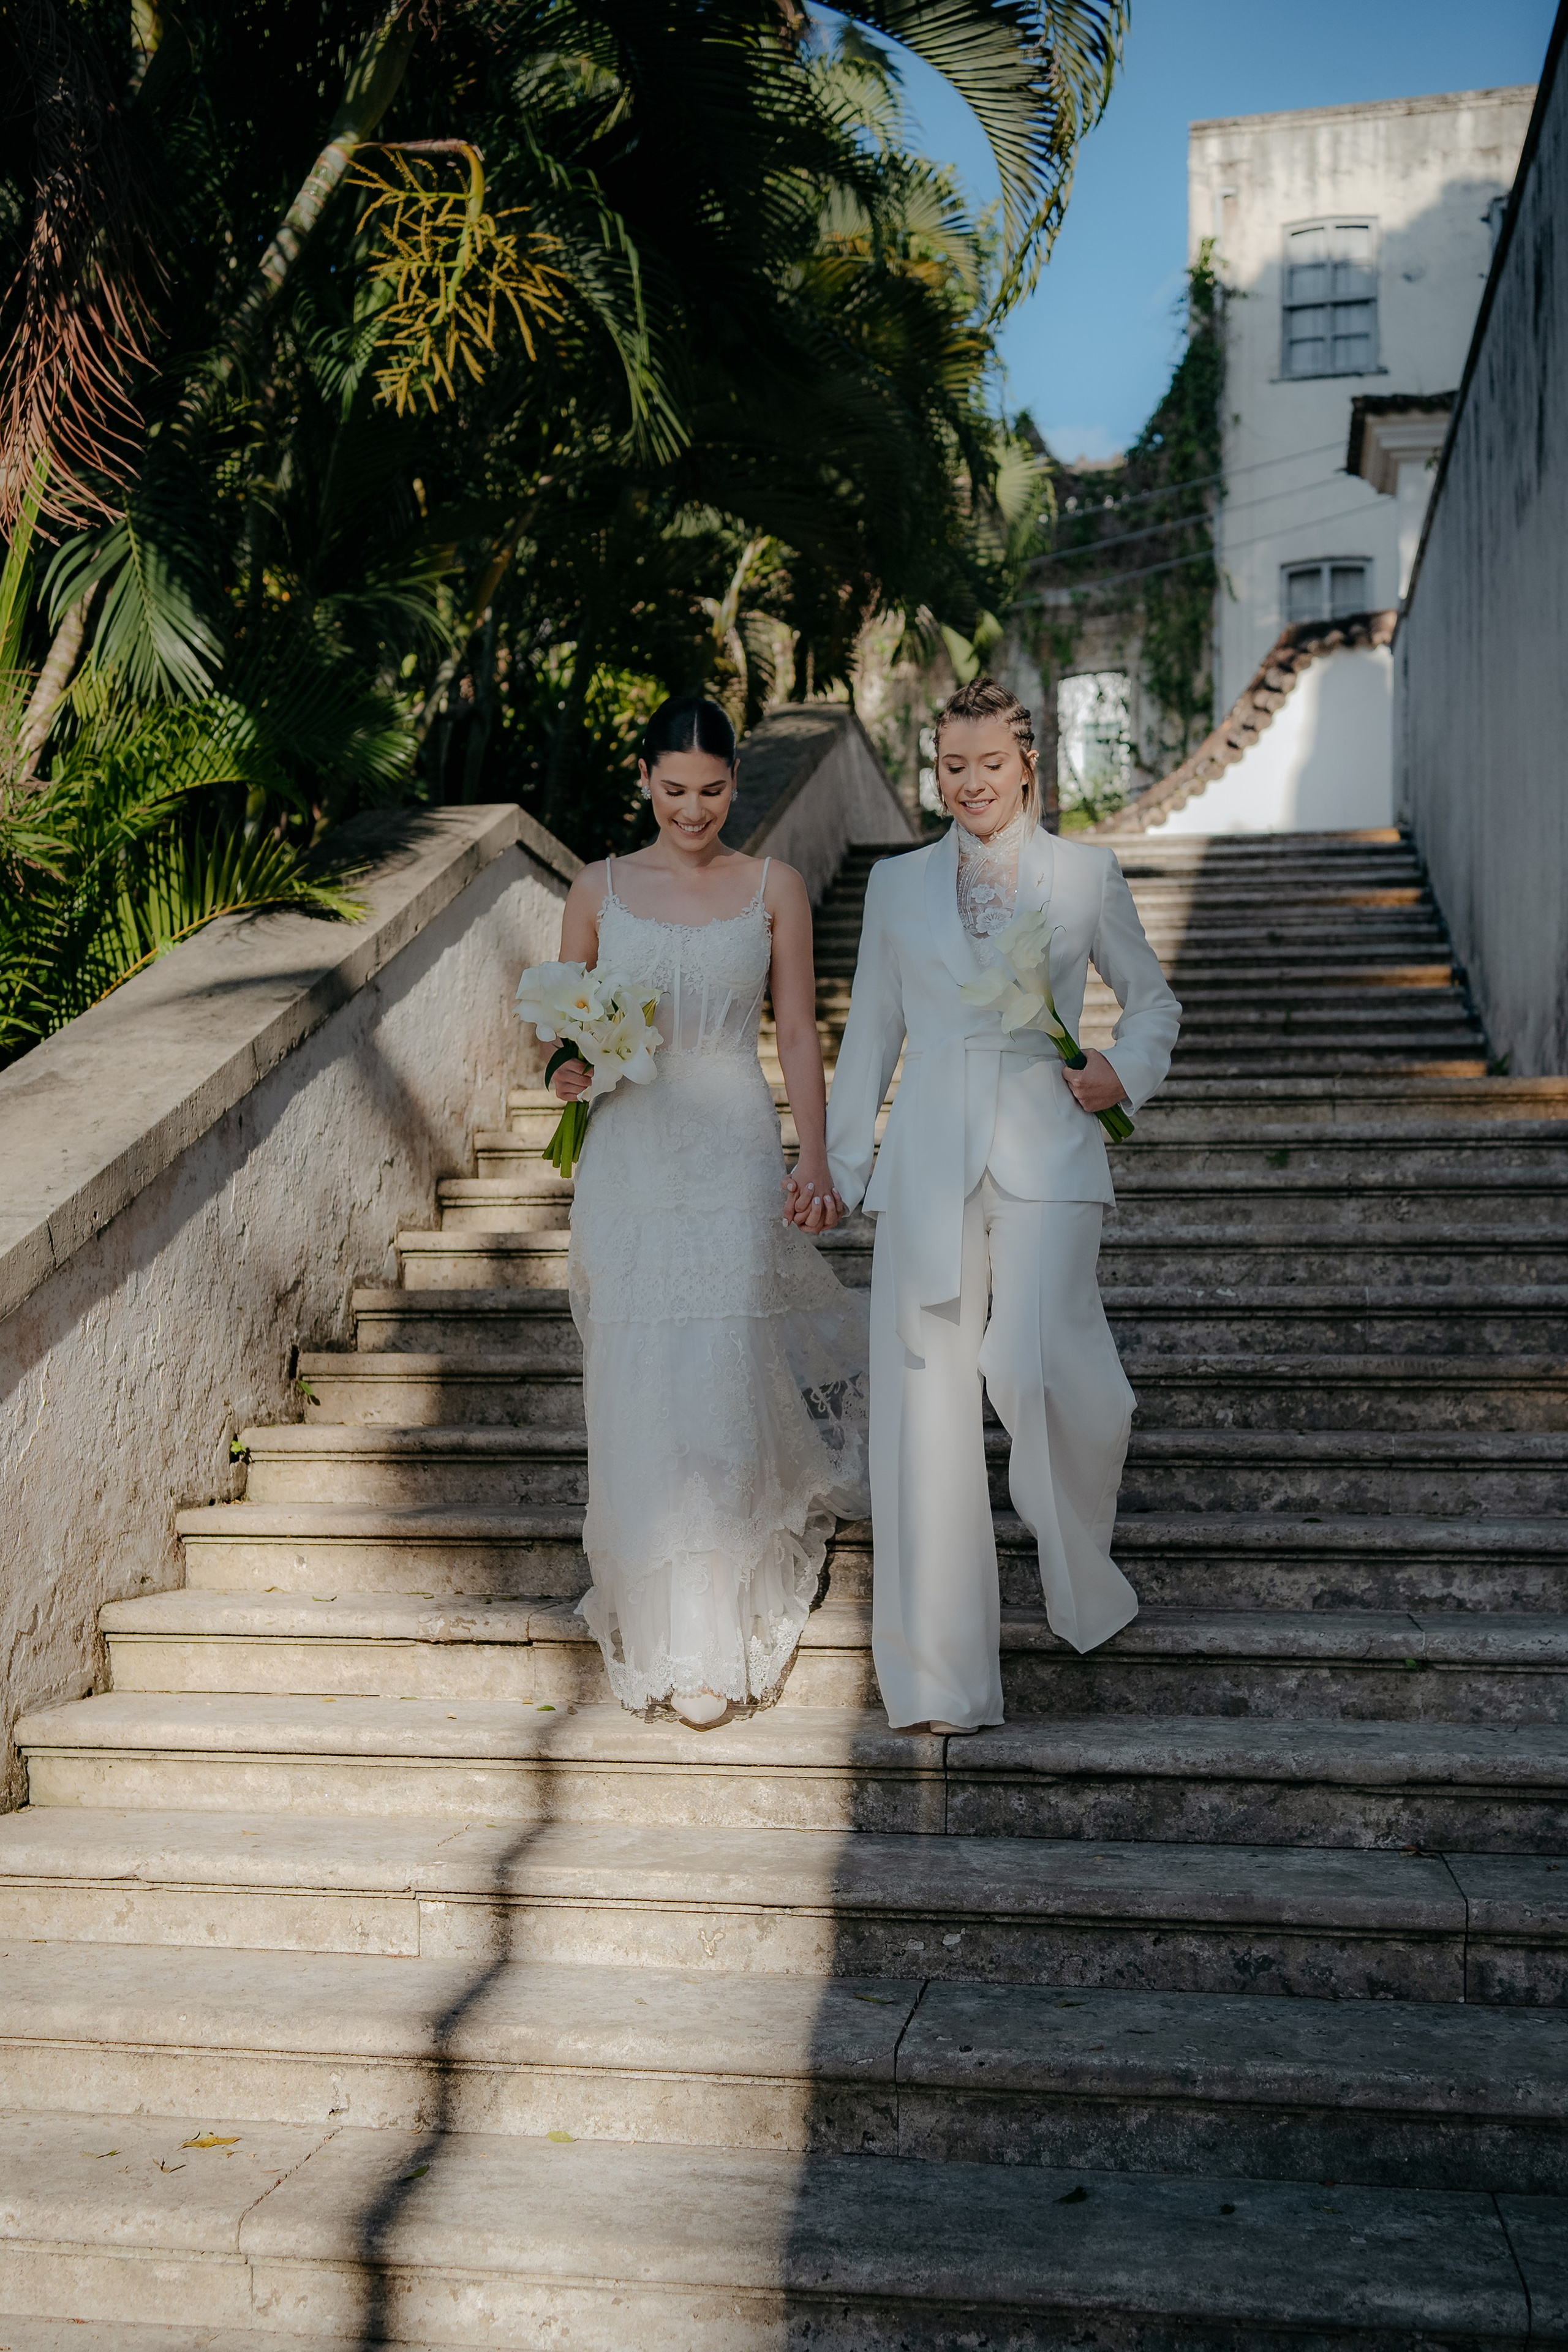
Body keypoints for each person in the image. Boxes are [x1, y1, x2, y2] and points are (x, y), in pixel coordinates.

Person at [823, 676, 1180, 1735]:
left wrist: (1125, 1067)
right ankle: (940, 1681)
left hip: (1050, 1148)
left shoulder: (1087, 875)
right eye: (950, 766)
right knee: (923, 1416)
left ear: (1028, 761)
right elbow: (870, 1041)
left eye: (988, 764)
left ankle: (1081, 1576)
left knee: (1041, 1367)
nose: (969, 783)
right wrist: (840, 1170)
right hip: (929, 1154)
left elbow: (1154, 997)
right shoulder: (895, 888)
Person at [548, 693, 868, 1730]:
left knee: (722, 1365)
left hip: (731, 1143)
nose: (694, 809)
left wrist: (813, 1158)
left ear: (738, 785)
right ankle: (663, 1621)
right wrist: (567, 1067)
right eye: (676, 789)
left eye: (715, 790)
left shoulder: (774, 887)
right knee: (640, 1371)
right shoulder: (595, 889)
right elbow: (562, 1023)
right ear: (644, 779)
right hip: (631, 1150)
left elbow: (797, 1032)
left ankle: (718, 1631)